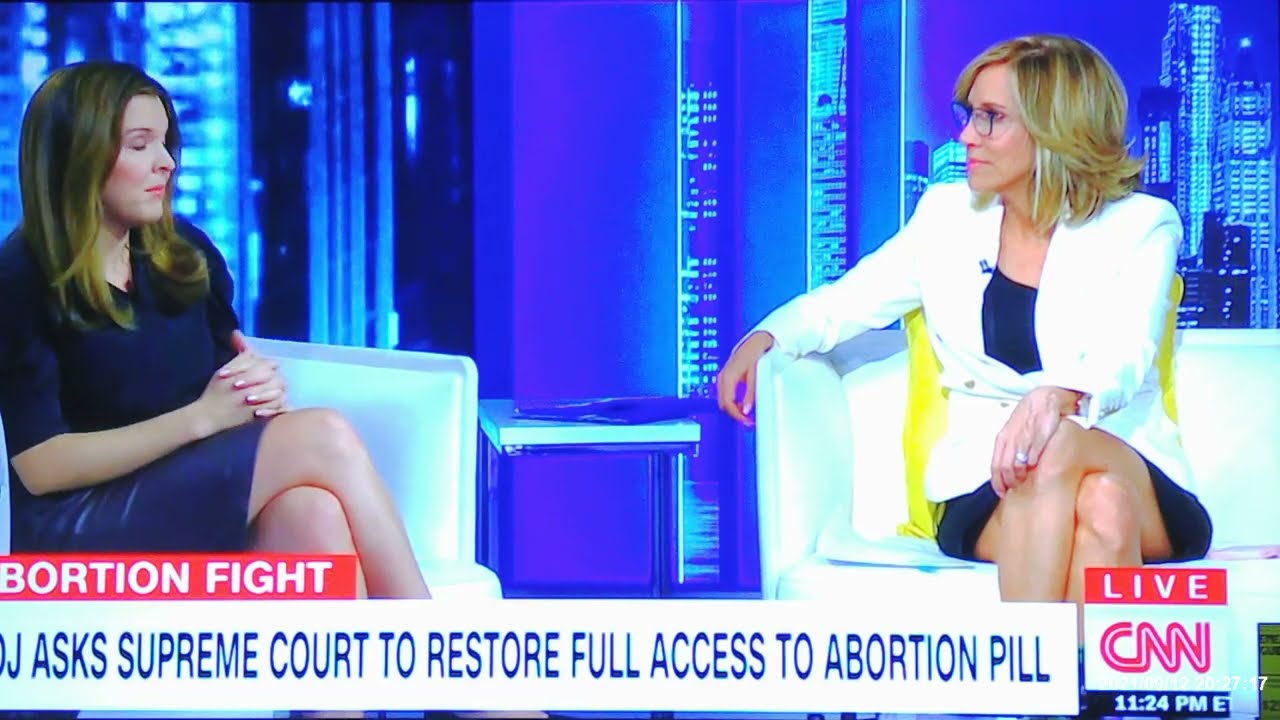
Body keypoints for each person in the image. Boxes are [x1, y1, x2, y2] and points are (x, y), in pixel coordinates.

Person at [717, 35, 1212, 607]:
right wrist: (767, 336)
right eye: (969, 115)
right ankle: (1078, 668)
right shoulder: (944, 219)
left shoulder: (1142, 225)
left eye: (990, 118)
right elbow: (845, 302)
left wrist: (1056, 399)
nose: (966, 137)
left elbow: (1126, 350)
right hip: (984, 479)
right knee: (1102, 506)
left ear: (1054, 129)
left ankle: (1025, 664)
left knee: (1062, 449)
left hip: (1124, 458)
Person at [0, 60, 429, 603]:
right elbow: (41, 466)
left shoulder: (182, 254)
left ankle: (360, 661)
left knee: (311, 512)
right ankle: (428, 637)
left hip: (182, 499)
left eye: (166, 143)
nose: (165, 162)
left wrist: (254, 396)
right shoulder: (22, 277)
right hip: (76, 531)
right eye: (140, 145)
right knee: (325, 435)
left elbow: (231, 390)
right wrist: (202, 418)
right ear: (77, 156)